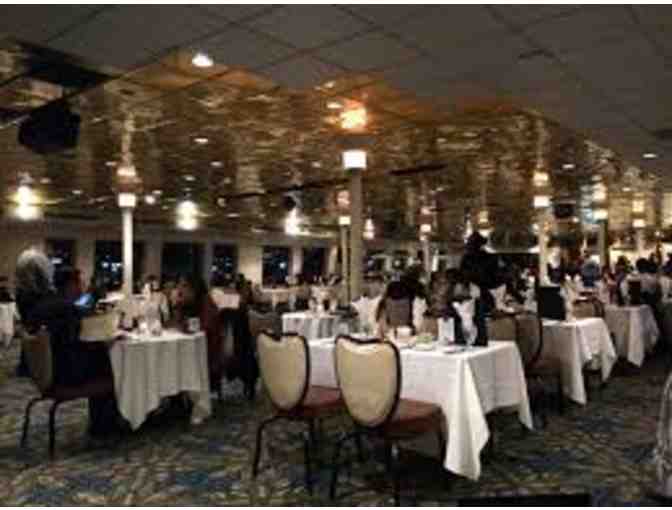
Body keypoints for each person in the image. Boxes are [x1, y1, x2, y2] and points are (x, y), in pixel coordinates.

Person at [15, 248, 117, 437]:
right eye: (79, 283)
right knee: (112, 366)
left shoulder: (33, 303)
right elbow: (80, 337)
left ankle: (103, 424)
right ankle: (105, 425)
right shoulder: (62, 307)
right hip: (63, 376)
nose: (81, 287)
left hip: (42, 372)